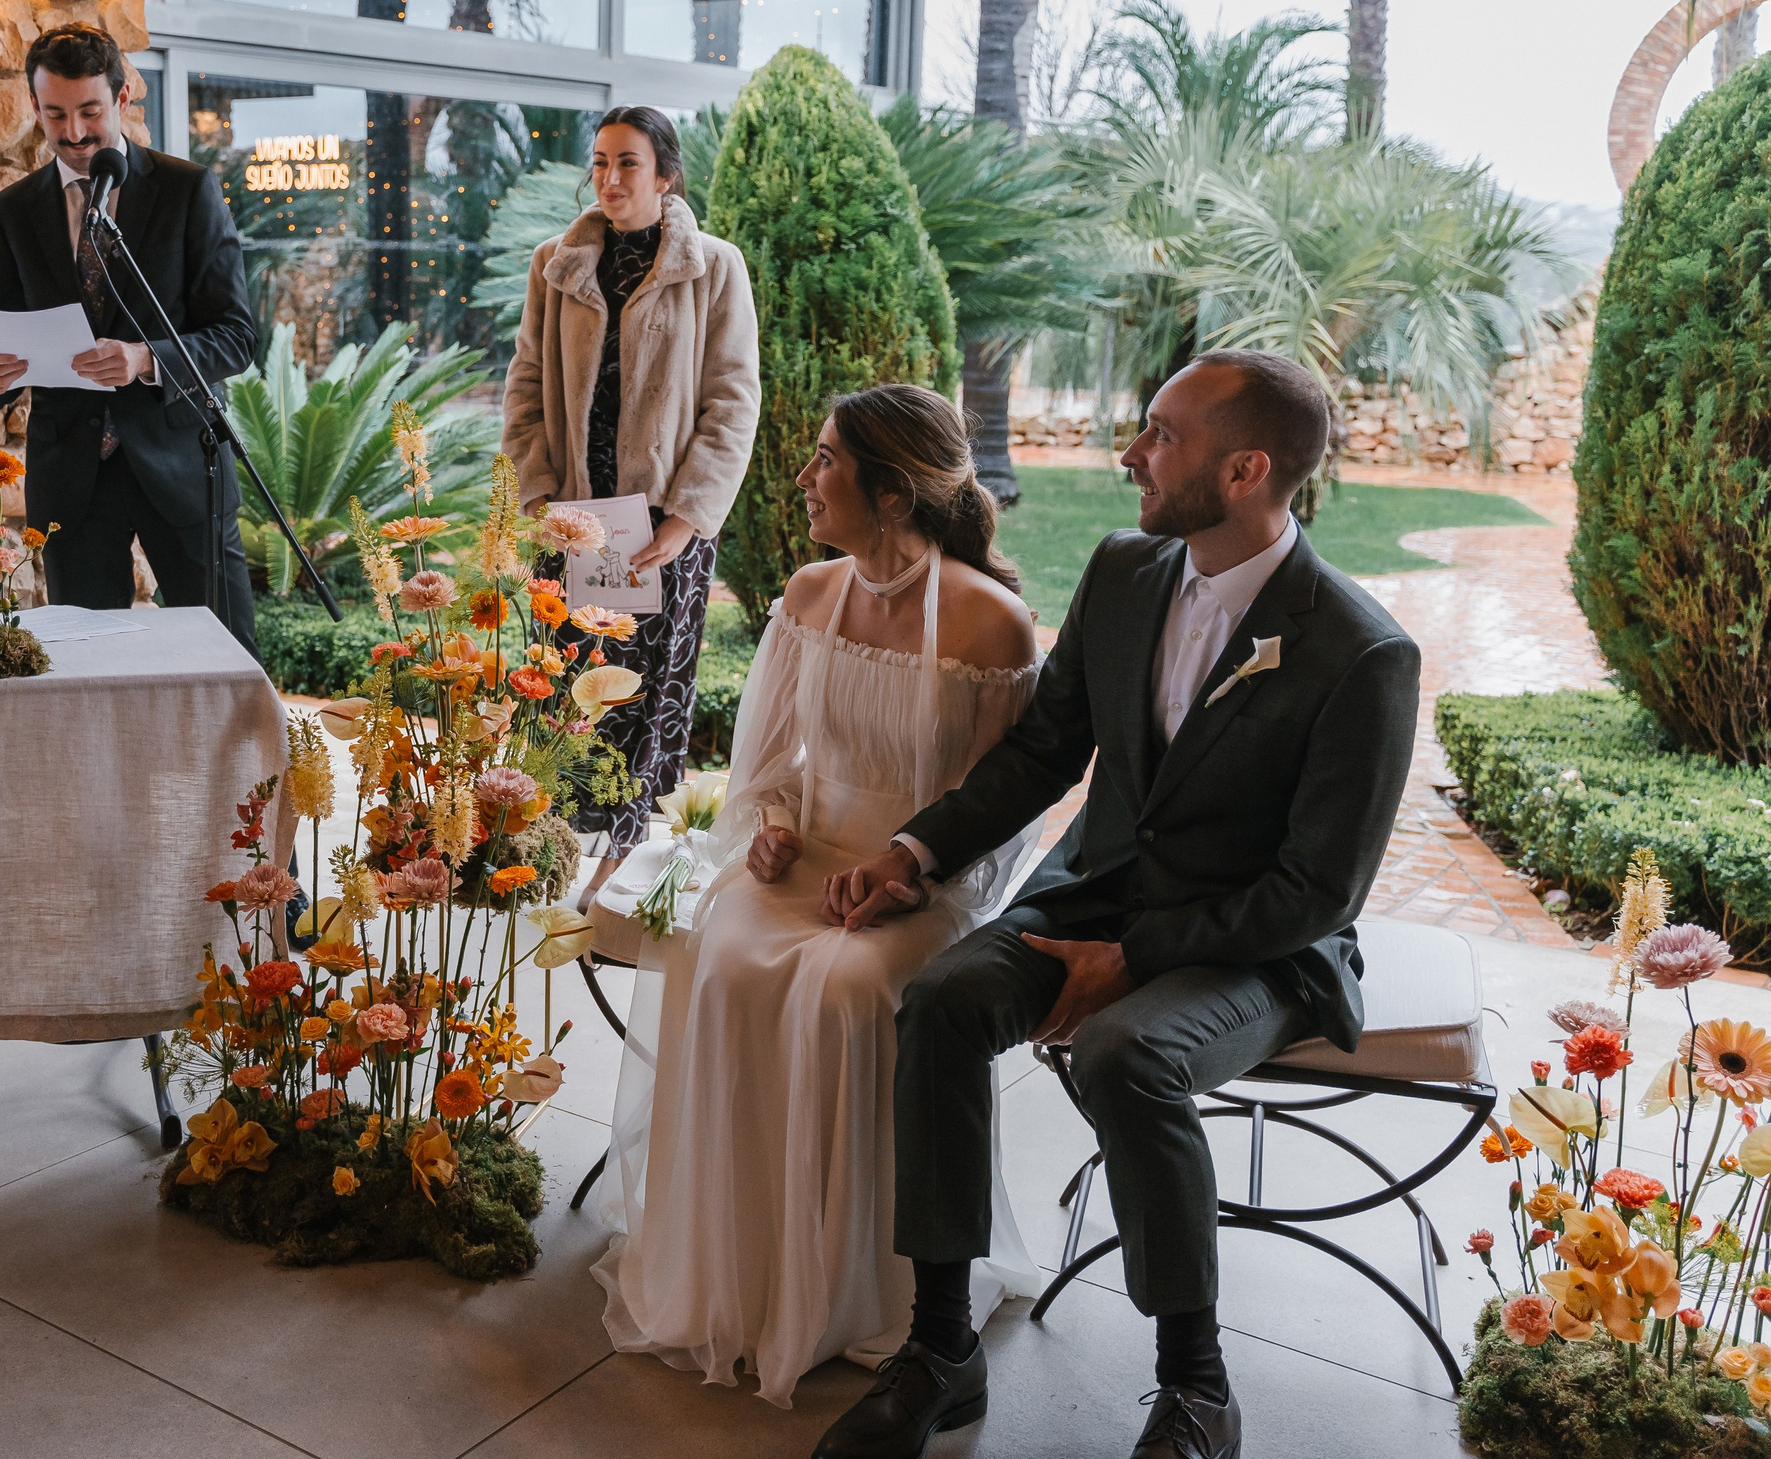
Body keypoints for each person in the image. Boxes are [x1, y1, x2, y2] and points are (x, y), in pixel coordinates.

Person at [813, 350, 1422, 1459]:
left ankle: (1196, 1385)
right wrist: (915, 848)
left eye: (1160, 434)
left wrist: (1135, 958)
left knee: (1124, 1057)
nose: (1129, 453)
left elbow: (1315, 891)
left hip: (1259, 951)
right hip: (1096, 900)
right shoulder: (1125, 571)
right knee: (942, 1000)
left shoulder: (1361, 650)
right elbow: (1046, 751)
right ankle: (940, 1348)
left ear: (1244, 471)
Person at [591, 384, 1047, 1410]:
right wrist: (769, 834)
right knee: (726, 957)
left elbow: (1003, 819)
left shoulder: (993, 626)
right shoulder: (808, 595)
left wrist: (912, 874)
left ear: (891, 492)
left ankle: (851, 1289)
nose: (803, 478)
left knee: (843, 991)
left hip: (923, 887)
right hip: (801, 864)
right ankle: (735, 1267)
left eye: (826, 460)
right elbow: (764, 772)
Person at [500, 107, 759, 890]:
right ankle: (539, 858)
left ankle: (612, 874)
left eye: (629, 164)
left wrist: (687, 518)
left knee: (644, 700)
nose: (610, 179)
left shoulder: (714, 267)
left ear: (666, 175)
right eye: (601, 162)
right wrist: (542, 497)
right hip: (575, 525)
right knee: (559, 689)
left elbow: (733, 400)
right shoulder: (556, 263)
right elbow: (525, 387)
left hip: (662, 532)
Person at [0, 27, 261, 655]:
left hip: (182, 468)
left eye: (90, 111)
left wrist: (145, 358)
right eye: (55, 115)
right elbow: (5, 332)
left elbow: (236, 336)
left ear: (124, 97)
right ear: (34, 109)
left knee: (225, 658)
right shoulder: (15, 209)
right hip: (71, 476)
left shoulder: (187, 191)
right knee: (83, 667)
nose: (74, 133)